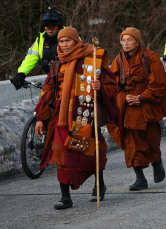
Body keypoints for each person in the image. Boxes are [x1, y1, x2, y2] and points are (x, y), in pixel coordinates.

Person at [34, 27, 120, 209]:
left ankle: (99, 184)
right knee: (61, 155)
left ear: (76, 41)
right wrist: (40, 117)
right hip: (62, 117)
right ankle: (65, 197)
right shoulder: (57, 63)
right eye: (61, 42)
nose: (64, 45)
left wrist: (100, 87)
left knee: (91, 152)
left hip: (84, 115)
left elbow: (112, 85)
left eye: (67, 41)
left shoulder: (92, 58)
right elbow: (47, 91)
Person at [107, 27, 166, 190]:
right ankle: (140, 178)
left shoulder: (149, 57)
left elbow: (159, 82)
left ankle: (157, 162)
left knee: (151, 140)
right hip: (127, 106)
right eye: (123, 40)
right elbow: (111, 84)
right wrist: (124, 97)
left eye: (129, 40)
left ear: (137, 42)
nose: (126, 43)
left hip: (147, 104)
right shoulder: (119, 60)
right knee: (131, 144)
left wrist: (142, 97)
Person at [11, 7, 64, 90]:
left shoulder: (69, 36)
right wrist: (21, 73)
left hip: (68, 78)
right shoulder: (40, 40)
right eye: (47, 27)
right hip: (51, 78)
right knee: (45, 101)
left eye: (53, 27)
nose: (50, 30)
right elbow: (30, 57)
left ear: (59, 26)